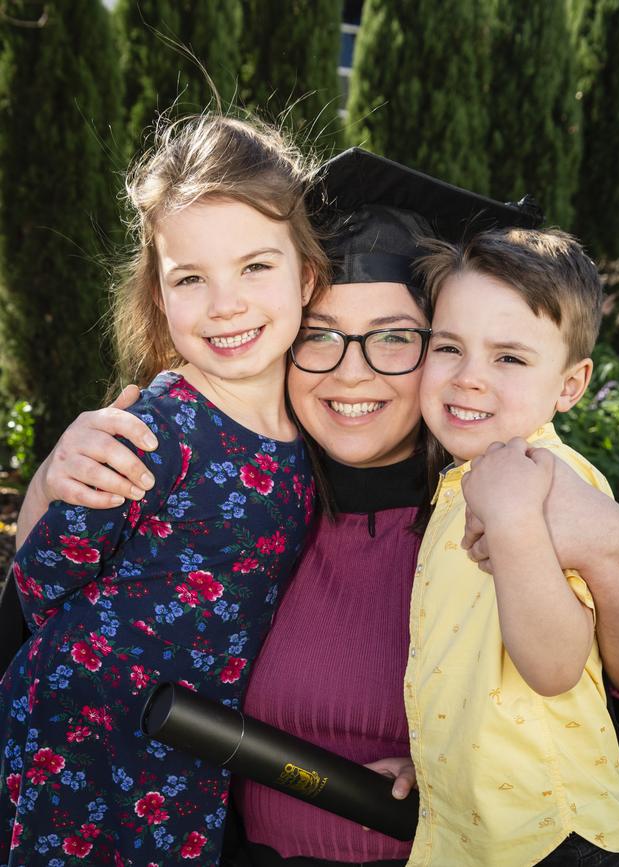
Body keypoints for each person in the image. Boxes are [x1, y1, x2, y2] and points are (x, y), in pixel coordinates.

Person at [6, 152, 619, 866]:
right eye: (319, 335)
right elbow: (44, 619)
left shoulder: (503, 508)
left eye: (396, 337)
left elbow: (603, 695)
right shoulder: (252, 497)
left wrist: (611, 542)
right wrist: (53, 479)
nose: (351, 370)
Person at [0, 112, 329, 866]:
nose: (226, 303)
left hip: (189, 745)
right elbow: (43, 576)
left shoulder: (314, 436)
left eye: (254, 267)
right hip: (81, 735)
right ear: (159, 293)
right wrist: (55, 477)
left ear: (305, 275)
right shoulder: (160, 424)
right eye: (191, 278)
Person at [405, 228, 619, 866]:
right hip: (481, 827)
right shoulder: (464, 479)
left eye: (509, 357)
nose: (469, 378)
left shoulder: (550, 481)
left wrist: (513, 527)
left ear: (570, 385)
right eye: (449, 346)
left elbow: (555, 665)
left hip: (551, 833)